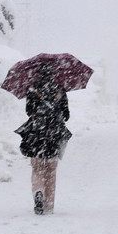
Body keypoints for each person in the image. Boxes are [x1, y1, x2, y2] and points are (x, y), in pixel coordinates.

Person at [15, 64, 71, 215]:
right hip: (54, 135)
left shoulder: (32, 89)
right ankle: (49, 205)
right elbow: (66, 115)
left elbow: (29, 112)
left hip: (36, 136)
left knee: (37, 169)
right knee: (51, 172)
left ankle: (38, 192)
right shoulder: (60, 89)